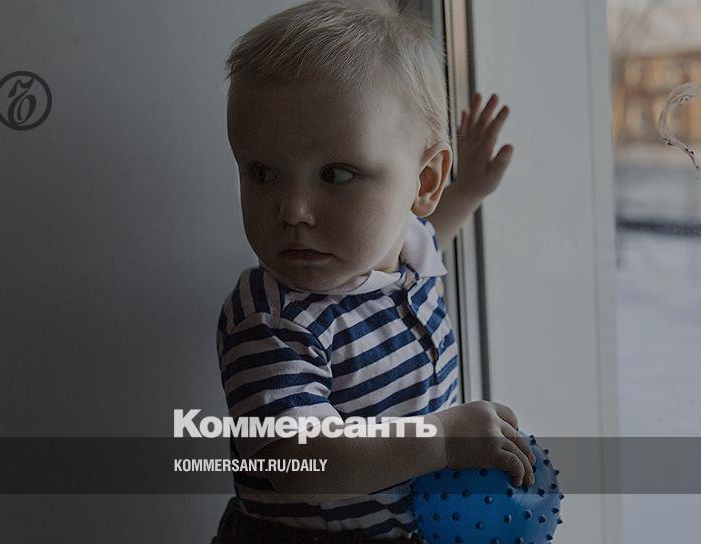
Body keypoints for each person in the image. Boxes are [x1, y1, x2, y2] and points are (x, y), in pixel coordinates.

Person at [214, 1, 530, 541]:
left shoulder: (404, 252)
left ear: (424, 183)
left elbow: (432, 231)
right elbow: (299, 464)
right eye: (262, 173)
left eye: (335, 174)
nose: (292, 211)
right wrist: (440, 441)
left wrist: (470, 190)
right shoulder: (272, 321)